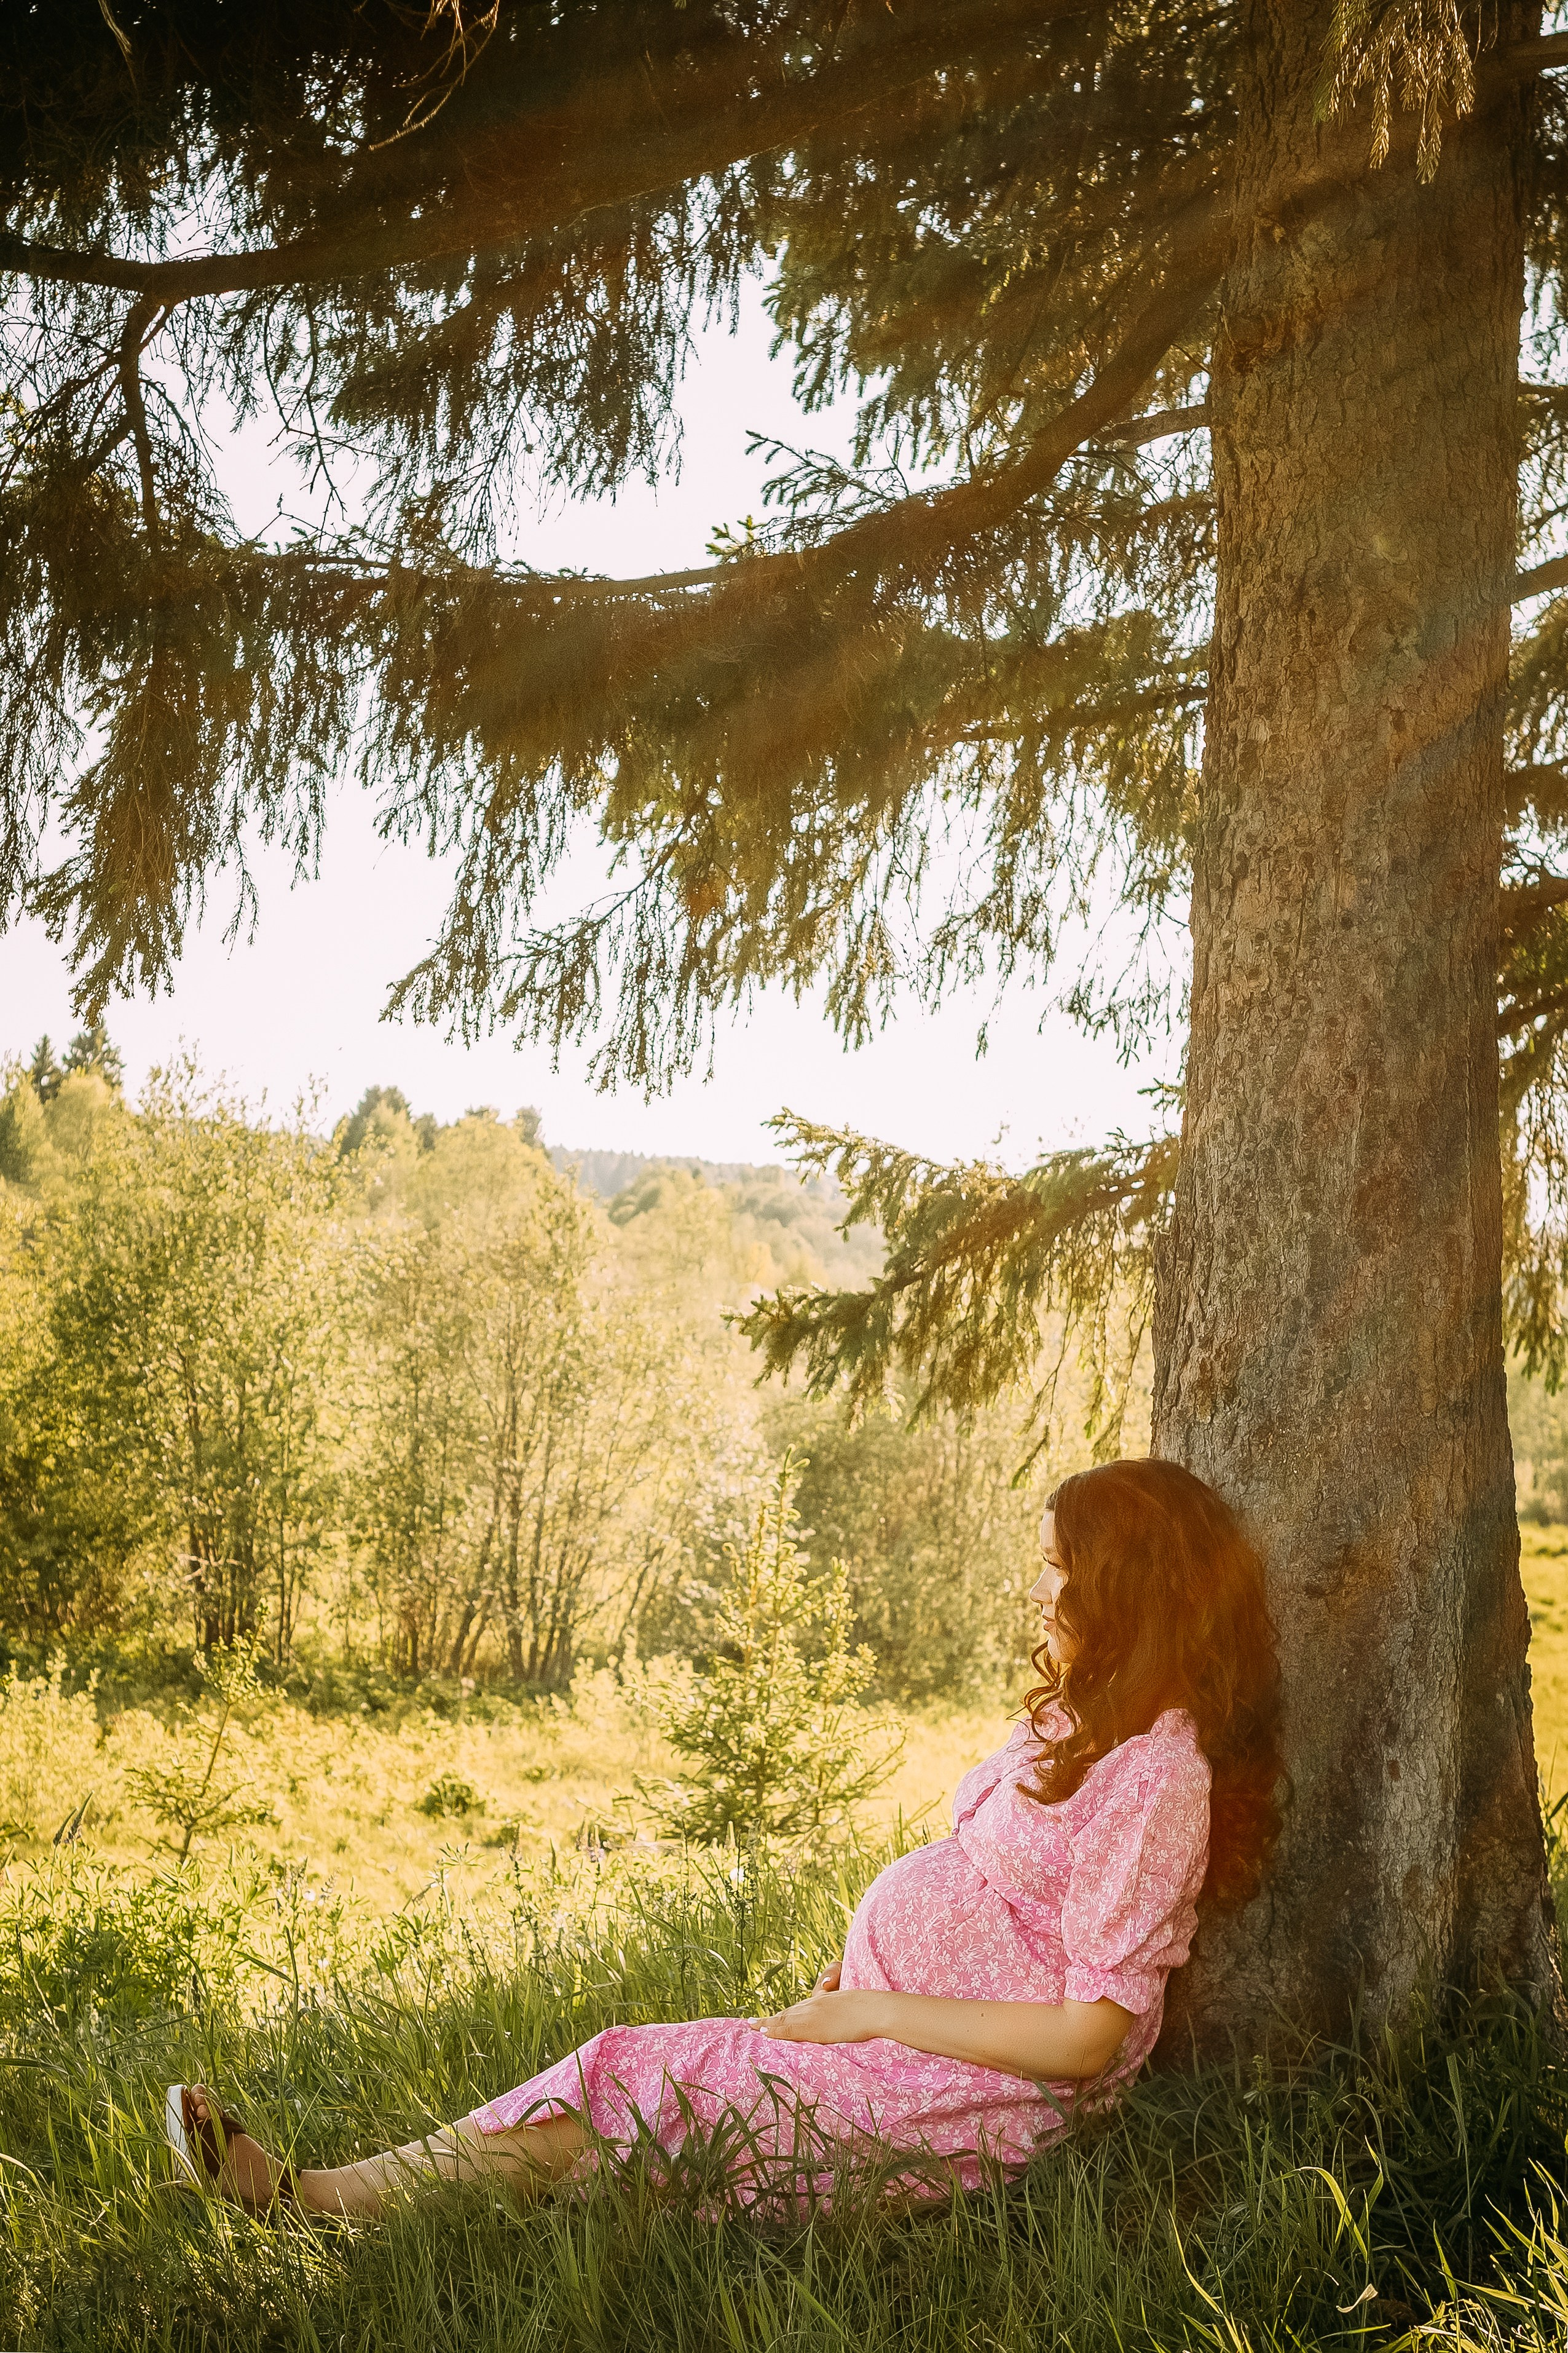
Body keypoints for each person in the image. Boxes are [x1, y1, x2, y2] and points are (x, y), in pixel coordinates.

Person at [167, 1457, 1285, 2218]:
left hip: (983, 2096)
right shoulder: (1084, 1716)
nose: (1040, 1587)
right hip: (897, 2035)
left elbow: (1093, 2035)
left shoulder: (1159, 1778)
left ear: (1126, 1588)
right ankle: (326, 2198)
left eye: (1061, 1566)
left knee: (649, 2099)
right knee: (630, 2076)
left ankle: (312, 2206)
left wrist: (874, 2009)